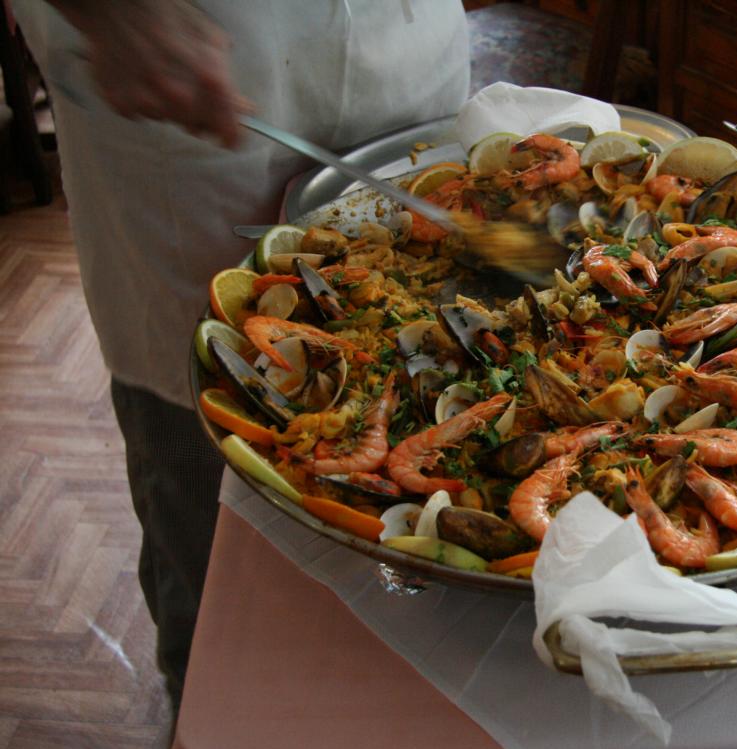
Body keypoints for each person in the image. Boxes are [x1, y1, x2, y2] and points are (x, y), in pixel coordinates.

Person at [11, 0, 470, 711]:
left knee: (440, 526)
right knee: (202, 481)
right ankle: (204, 712)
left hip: (406, 59)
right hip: (188, 82)